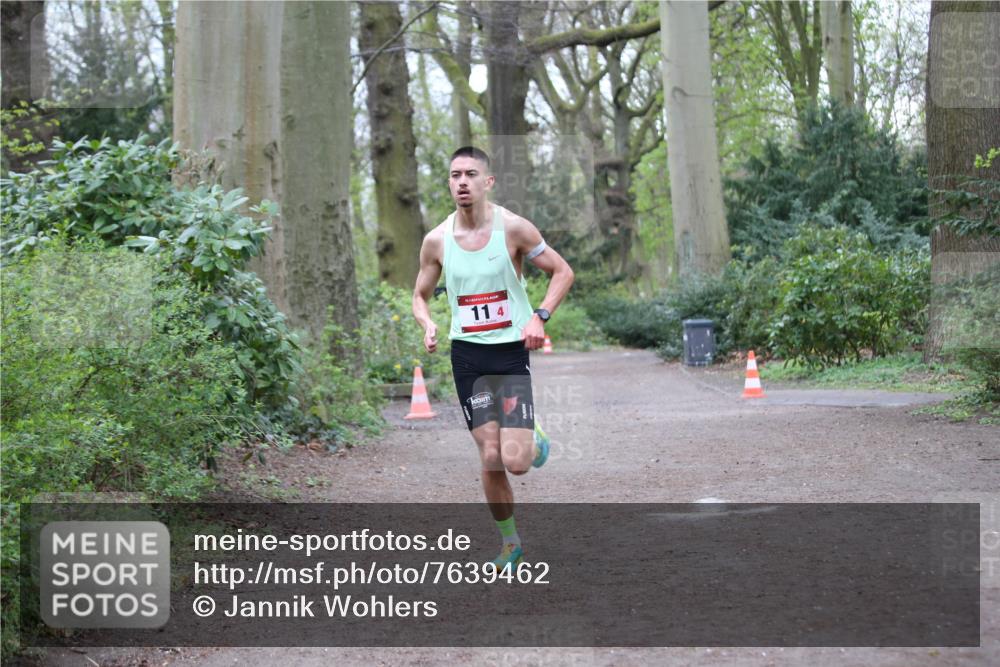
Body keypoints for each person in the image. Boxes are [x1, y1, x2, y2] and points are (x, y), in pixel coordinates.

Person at [412, 146, 574, 568]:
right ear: (449, 183)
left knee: (516, 463)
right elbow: (419, 295)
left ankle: (533, 437)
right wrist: (428, 322)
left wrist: (539, 316)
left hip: (508, 354)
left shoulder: (514, 229)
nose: (461, 181)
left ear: (488, 182)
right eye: (454, 175)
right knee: (489, 454)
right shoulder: (438, 240)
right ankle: (510, 543)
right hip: (467, 356)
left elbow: (563, 271)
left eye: (470, 174)